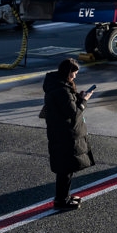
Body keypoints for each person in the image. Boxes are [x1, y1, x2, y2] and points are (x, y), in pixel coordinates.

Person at [39, 58, 96, 210]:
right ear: (68, 72)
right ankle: (61, 201)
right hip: (64, 133)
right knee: (65, 169)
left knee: (67, 167)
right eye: (73, 73)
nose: (75, 76)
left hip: (60, 131)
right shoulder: (61, 90)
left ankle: (65, 197)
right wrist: (84, 101)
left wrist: (78, 97)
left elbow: (67, 105)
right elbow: (73, 112)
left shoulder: (58, 85)